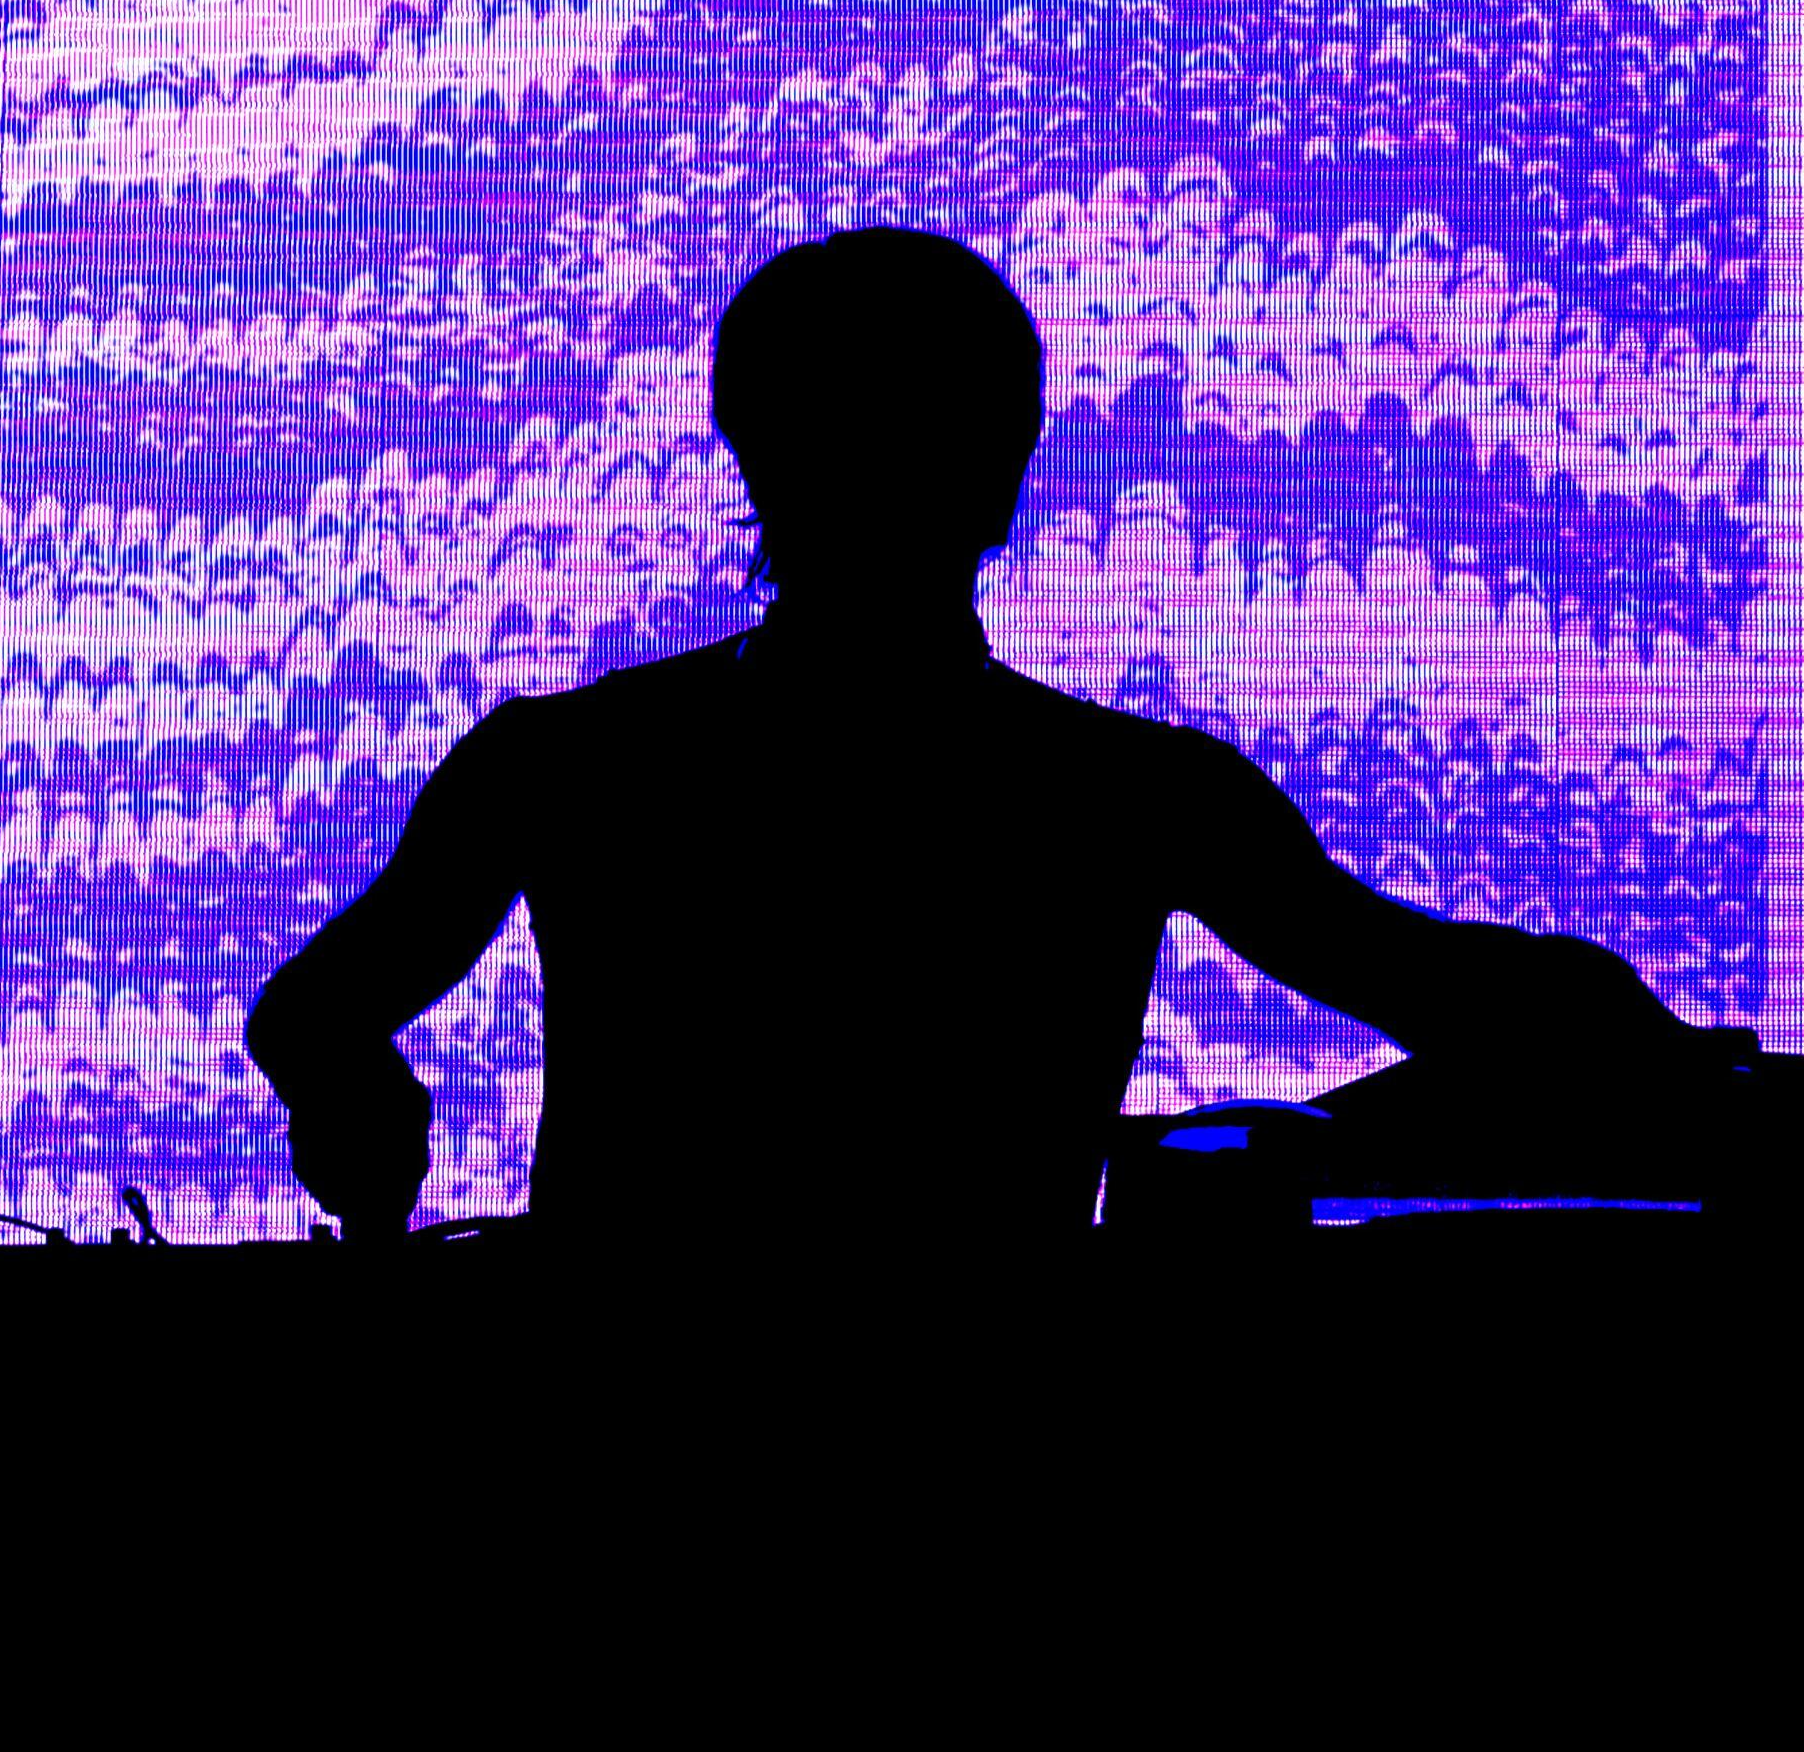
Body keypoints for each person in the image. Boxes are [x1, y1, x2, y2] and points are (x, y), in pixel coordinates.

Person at [243, 226, 1697, 1258]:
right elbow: (1427, 985)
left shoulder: (563, 761)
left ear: (751, 457)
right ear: (1005, 478)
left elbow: (308, 1013)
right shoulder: (1137, 794)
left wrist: (356, 1107)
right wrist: (1642, 1043)